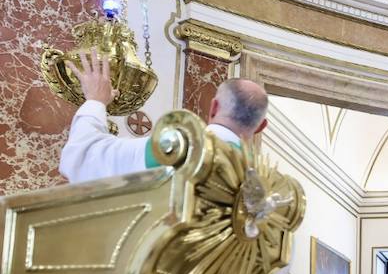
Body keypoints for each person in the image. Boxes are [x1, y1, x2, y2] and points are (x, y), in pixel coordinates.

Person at [61, 53, 268, 184]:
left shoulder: (179, 150)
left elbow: (84, 161)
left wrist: (96, 100)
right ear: (261, 126)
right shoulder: (260, 184)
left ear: (213, 107)